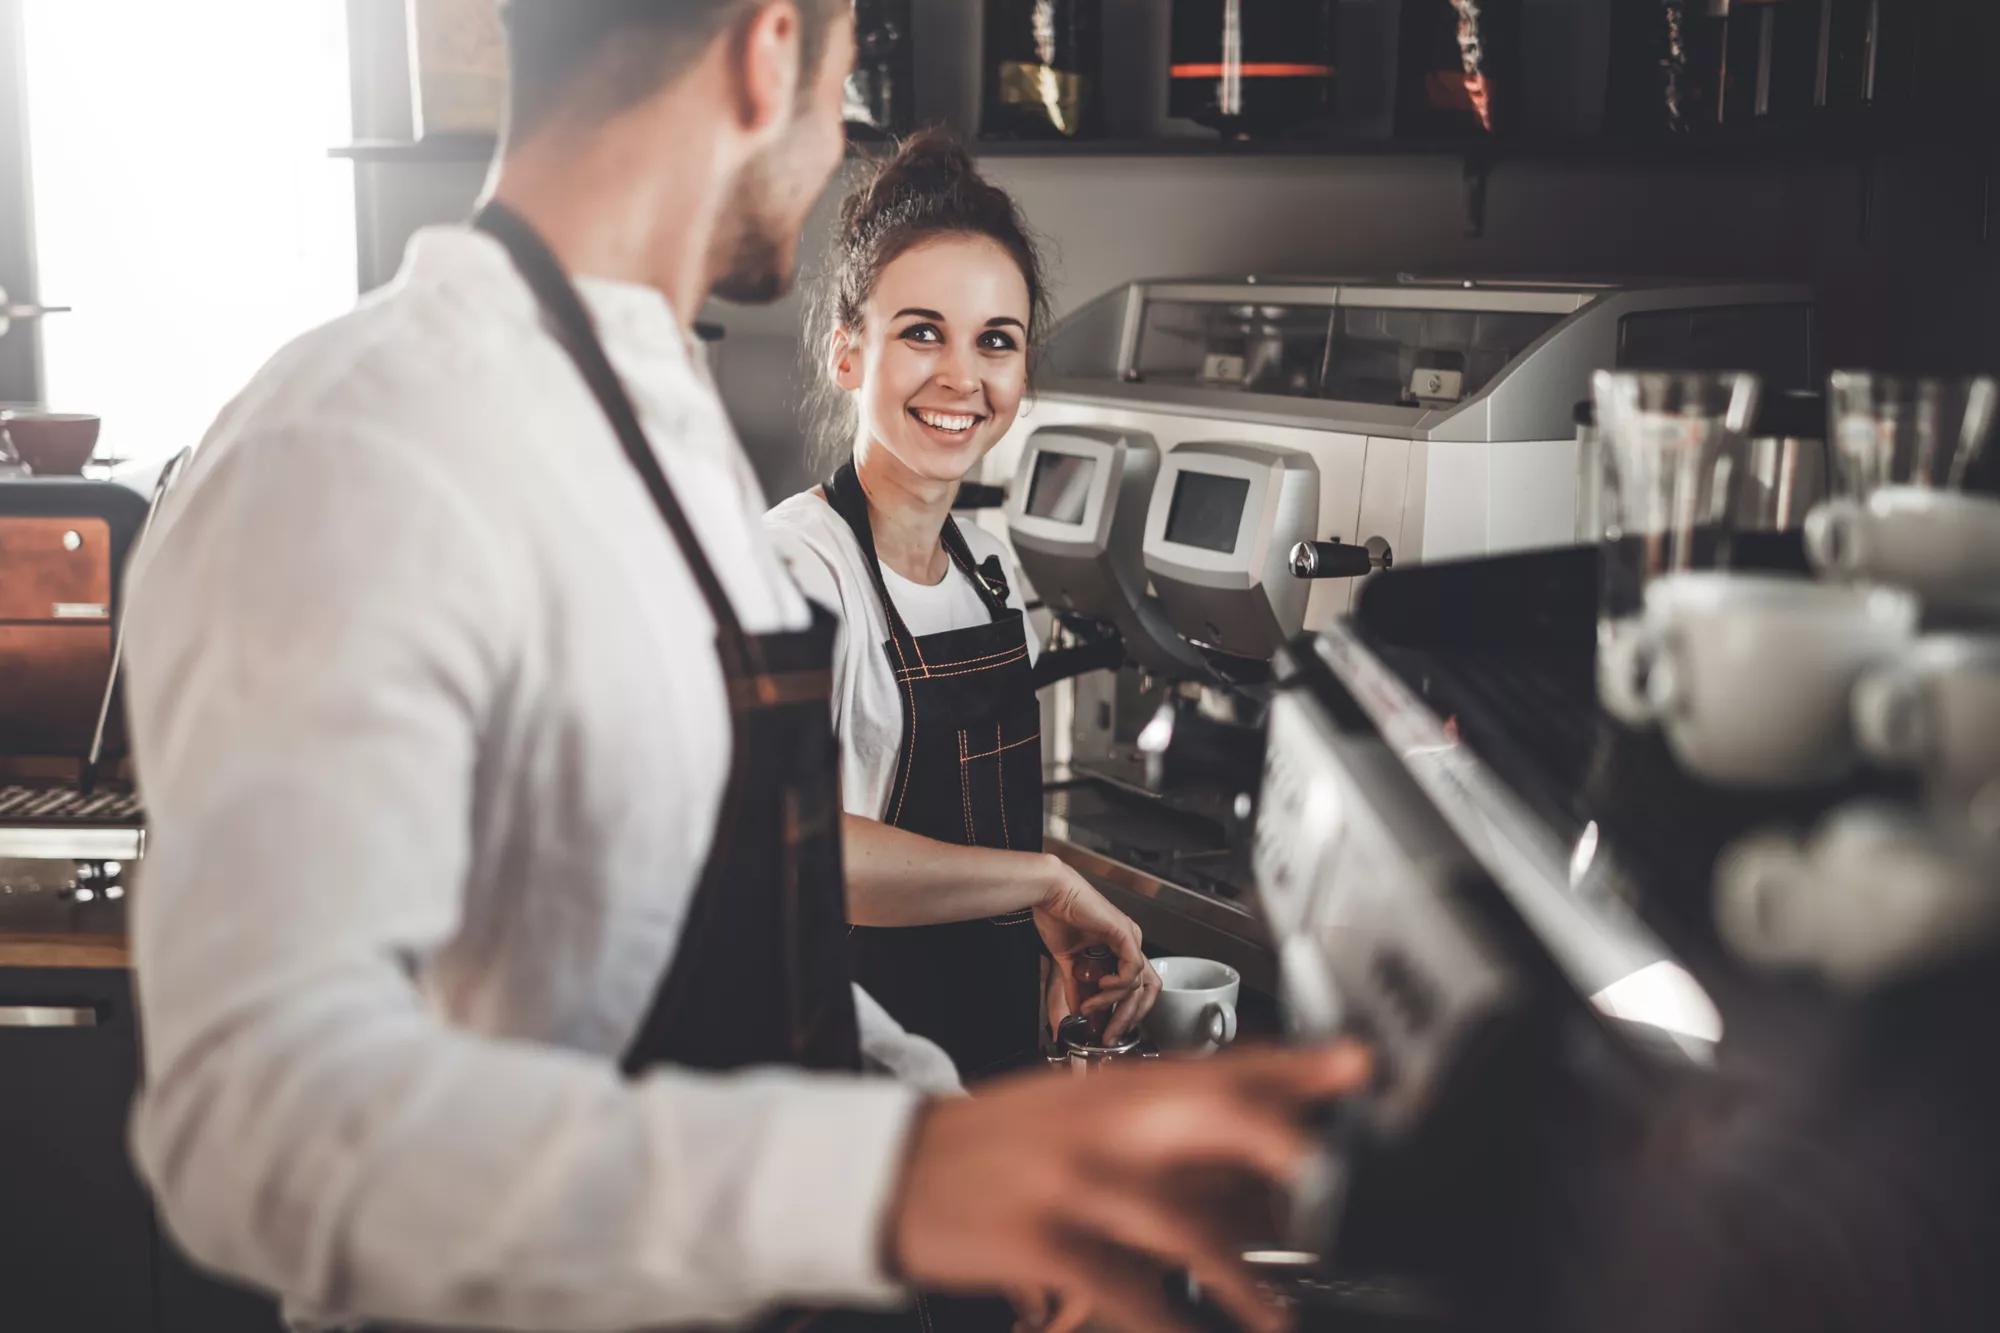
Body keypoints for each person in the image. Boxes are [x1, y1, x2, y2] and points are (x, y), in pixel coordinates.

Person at [120, 3, 1367, 1331]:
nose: (836, 137)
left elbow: (737, 937)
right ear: (771, 50)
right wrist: (895, 1179)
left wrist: (988, 1168)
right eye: (842, 80)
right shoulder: (363, 442)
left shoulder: (667, 446)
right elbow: (261, 1123)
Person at [768, 131, 1159, 1082]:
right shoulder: (794, 565)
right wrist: (1045, 881)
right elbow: (792, 851)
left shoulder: (987, 568)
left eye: (996, 341)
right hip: (849, 1090)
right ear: (847, 353)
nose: (961, 376)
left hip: (987, 1072)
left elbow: (977, 844)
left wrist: (1049, 949)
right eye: (921, 332)